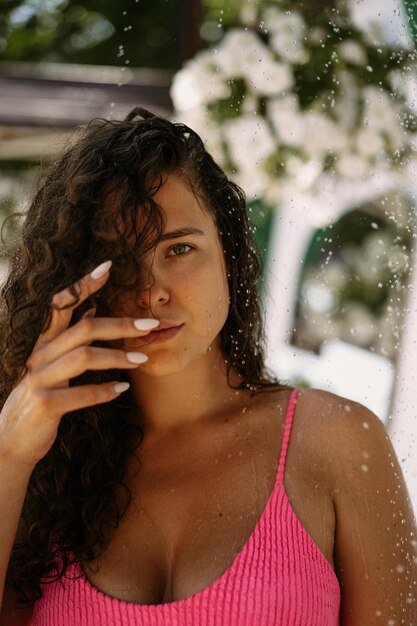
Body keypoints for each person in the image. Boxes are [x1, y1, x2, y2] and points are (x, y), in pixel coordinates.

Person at [0, 107, 415, 626]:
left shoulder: (337, 441)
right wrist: (11, 454)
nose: (151, 291)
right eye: (118, 262)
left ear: (228, 253)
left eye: (179, 248)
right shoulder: (42, 475)